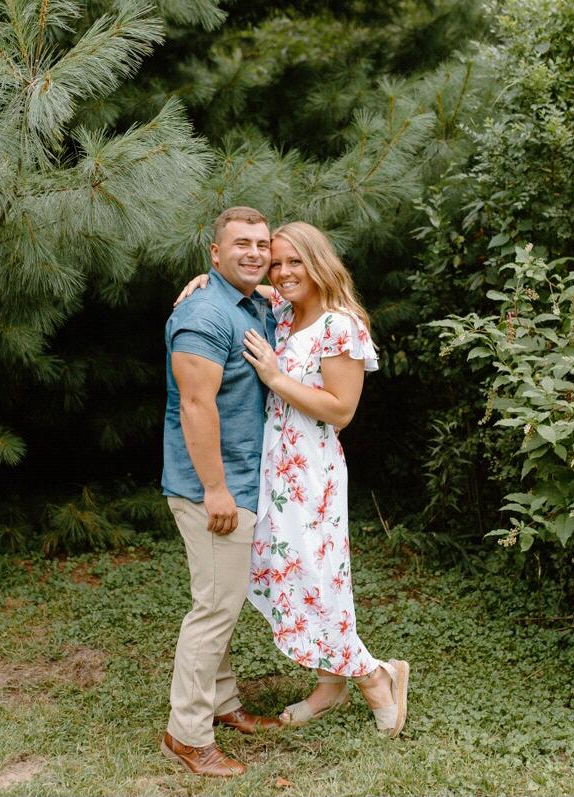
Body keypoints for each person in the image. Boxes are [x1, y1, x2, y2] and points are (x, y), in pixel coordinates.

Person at [176, 221, 410, 739]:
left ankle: (374, 676)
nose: (281, 272)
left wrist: (276, 378)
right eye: (276, 262)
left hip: (311, 471)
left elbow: (342, 409)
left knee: (315, 577)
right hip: (273, 467)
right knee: (295, 574)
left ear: (318, 262)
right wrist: (206, 279)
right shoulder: (282, 312)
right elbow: (251, 286)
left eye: (293, 261)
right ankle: (331, 683)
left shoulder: (340, 325)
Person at [160, 206, 283, 779]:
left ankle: (223, 702)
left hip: (243, 480)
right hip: (212, 487)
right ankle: (186, 735)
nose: (254, 253)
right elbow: (194, 404)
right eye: (241, 244)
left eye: (262, 244)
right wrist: (215, 489)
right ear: (215, 252)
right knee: (213, 608)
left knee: (224, 601)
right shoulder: (204, 313)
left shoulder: (250, 303)